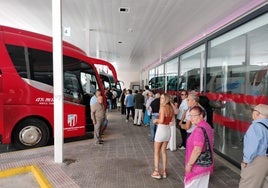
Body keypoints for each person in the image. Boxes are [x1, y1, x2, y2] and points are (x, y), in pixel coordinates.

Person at [239, 104, 268, 188]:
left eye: (253, 111)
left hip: (258, 160)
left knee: (248, 185)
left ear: (257, 114)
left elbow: (252, 147)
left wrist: (245, 161)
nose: (252, 113)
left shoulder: (255, 127)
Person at [184, 106, 214, 188]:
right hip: (205, 165)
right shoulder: (207, 126)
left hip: (197, 166)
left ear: (201, 115)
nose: (191, 118)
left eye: (194, 115)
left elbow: (197, 150)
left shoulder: (199, 130)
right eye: (190, 116)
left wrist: (189, 164)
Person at [151, 93, 174, 179]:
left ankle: (156, 172)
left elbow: (161, 120)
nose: (161, 100)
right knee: (163, 151)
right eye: (160, 98)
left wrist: (156, 120)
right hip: (168, 130)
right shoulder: (171, 108)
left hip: (161, 130)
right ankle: (164, 171)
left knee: (156, 152)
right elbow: (172, 120)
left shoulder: (163, 107)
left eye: (162, 98)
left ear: (166, 99)